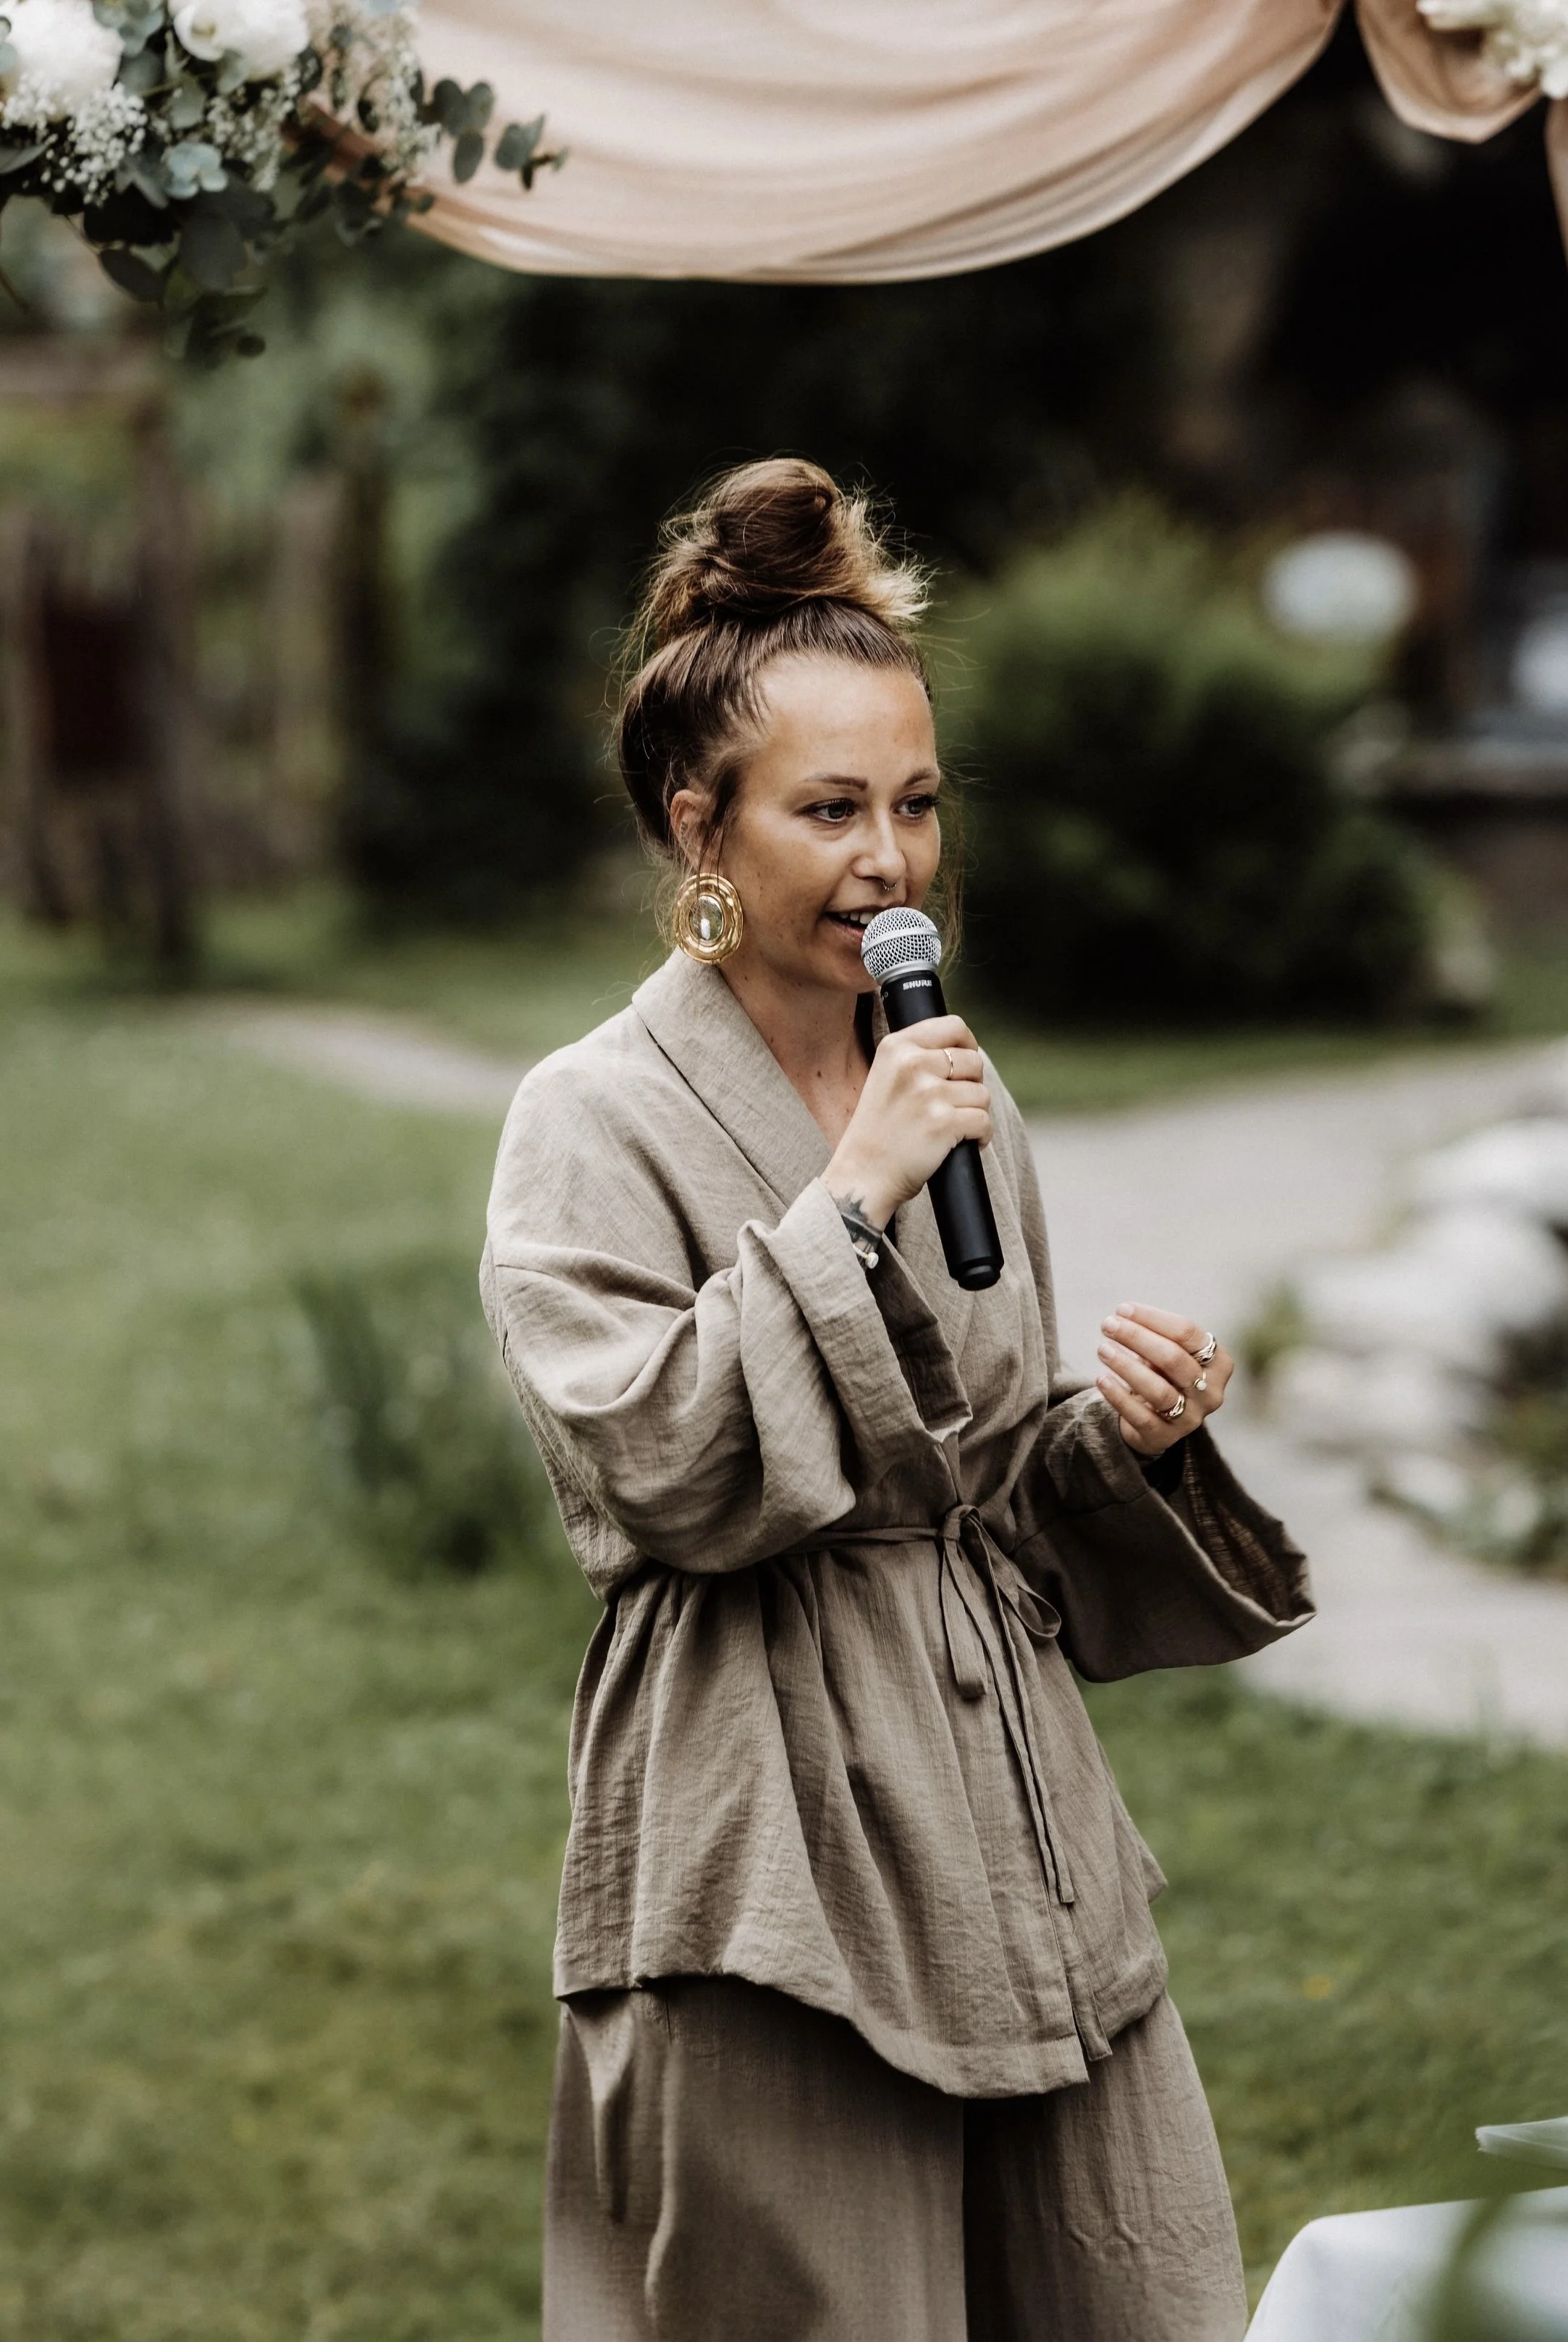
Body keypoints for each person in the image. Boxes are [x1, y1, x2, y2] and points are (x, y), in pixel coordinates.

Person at [481, 457, 1313, 2342]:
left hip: (1016, 1825)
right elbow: (654, 1464)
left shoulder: (951, 1087)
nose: (890, 861)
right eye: (831, 809)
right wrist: (845, 1198)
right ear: (699, 828)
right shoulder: (588, 1120)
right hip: (766, 1840)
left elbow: (984, 1482)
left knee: (1132, 2289)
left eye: (917, 804)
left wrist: (1125, 1439)